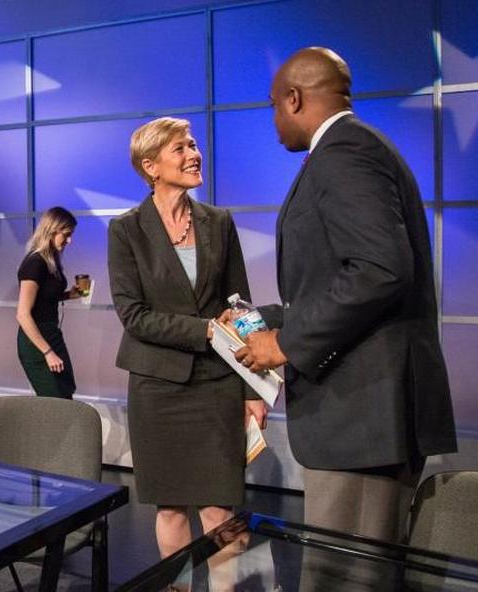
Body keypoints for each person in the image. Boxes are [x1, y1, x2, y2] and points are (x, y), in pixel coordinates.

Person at [235, 47, 456, 544]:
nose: (273, 119)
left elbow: (379, 269)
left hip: (364, 420)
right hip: (364, 418)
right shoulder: (356, 149)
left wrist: (287, 343)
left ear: (293, 99)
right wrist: (265, 318)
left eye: (273, 105)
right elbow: (345, 273)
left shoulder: (346, 152)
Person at [108, 117, 267, 558]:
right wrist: (207, 330)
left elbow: (241, 306)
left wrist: (254, 386)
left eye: (193, 145)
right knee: (172, 507)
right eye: (180, 148)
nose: (194, 154)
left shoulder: (219, 222)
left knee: (220, 508)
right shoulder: (125, 230)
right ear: (150, 165)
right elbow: (134, 316)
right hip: (157, 387)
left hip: (217, 383)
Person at [16, 206, 82, 398]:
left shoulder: (50, 261)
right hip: (36, 342)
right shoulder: (35, 263)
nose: (70, 241)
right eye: (67, 234)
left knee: (66, 391)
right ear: (52, 230)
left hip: (52, 334)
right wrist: (47, 352)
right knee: (54, 400)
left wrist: (68, 295)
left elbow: (44, 299)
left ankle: (66, 428)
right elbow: (23, 314)